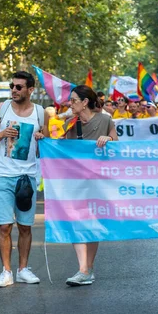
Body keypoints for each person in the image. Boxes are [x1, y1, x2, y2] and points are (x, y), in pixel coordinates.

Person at [0, 71, 48, 287]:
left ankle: (23, 269)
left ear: (30, 90)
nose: (14, 90)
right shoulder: (0, 109)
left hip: (27, 176)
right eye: (12, 86)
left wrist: (41, 138)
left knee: (25, 227)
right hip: (3, 175)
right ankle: (6, 271)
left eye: (19, 87)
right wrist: (3, 135)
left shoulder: (40, 113)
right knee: (4, 226)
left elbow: (44, 146)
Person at [63, 85, 118, 286]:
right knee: (76, 222)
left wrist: (109, 139)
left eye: (74, 100)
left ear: (85, 102)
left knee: (92, 224)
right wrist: (44, 138)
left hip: (98, 182)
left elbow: (116, 143)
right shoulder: (70, 123)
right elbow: (62, 148)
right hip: (76, 181)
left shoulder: (105, 120)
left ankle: (88, 267)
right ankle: (83, 269)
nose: (70, 103)